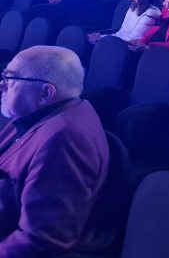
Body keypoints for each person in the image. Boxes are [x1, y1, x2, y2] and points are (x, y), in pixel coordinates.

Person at [0, 46, 109, 257]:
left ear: (45, 93)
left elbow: (41, 240)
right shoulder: (32, 114)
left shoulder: (65, 139)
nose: (1, 84)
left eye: (10, 78)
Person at [89, 0, 162, 45]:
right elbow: (121, 33)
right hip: (119, 44)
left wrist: (102, 39)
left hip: (127, 49)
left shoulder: (152, 12)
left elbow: (134, 40)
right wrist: (101, 37)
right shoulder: (134, 6)